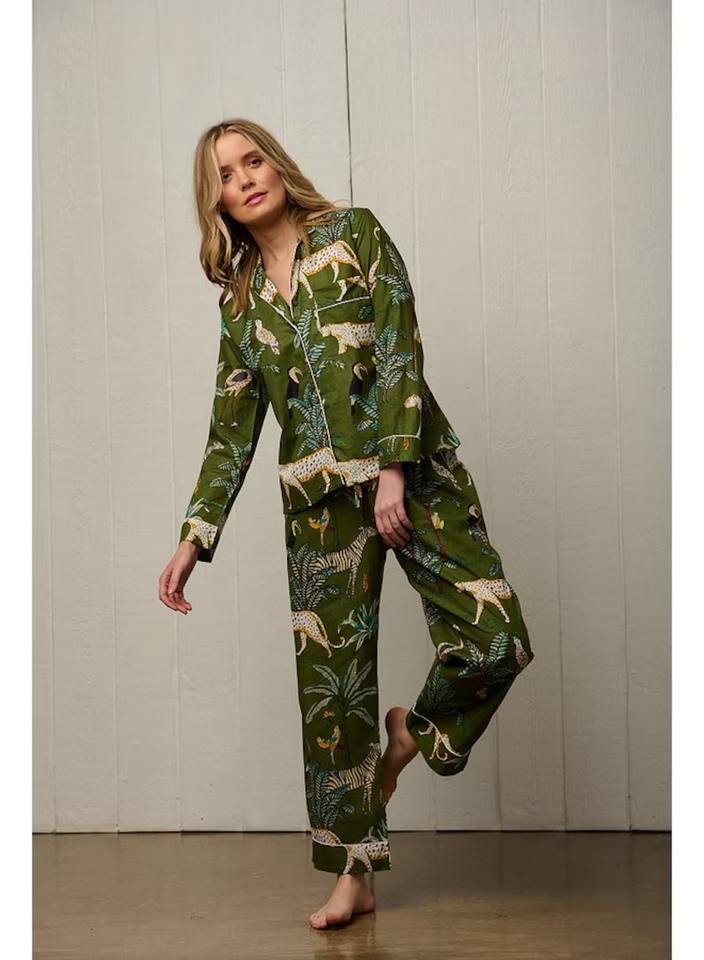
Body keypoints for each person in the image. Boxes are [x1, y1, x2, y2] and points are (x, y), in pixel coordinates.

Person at [158, 118, 535, 930]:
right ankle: (353, 875)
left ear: (277, 164)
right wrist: (195, 536)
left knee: (496, 636)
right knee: (334, 699)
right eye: (227, 175)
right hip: (318, 505)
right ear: (215, 200)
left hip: (413, 473)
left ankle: (414, 734)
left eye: (253, 160)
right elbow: (231, 432)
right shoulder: (241, 304)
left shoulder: (354, 234)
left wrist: (394, 466)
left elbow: (400, 344)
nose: (245, 179)